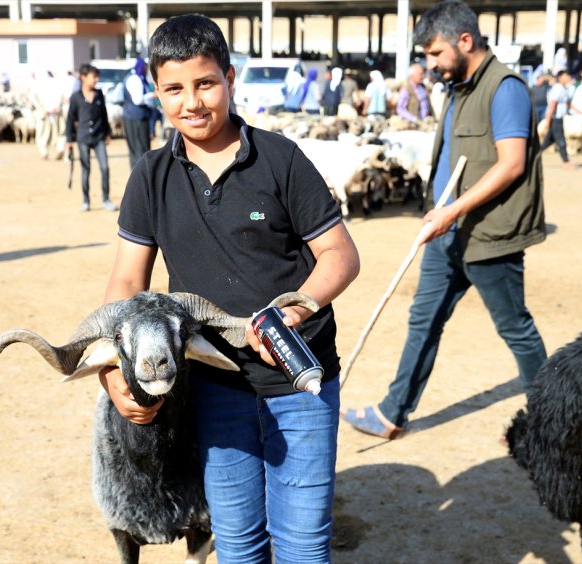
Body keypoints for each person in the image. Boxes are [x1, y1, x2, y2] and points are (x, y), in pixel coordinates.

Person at [98, 13, 360, 563]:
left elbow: (340, 255)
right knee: (237, 541)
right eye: (174, 88)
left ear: (230, 78)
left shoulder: (280, 159)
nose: (191, 101)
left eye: (205, 83)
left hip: (298, 379)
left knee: (303, 543)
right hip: (212, 387)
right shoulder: (150, 175)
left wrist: (296, 310)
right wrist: (111, 370)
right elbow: (127, 280)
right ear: (156, 92)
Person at [342, 0, 547, 441]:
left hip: (488, 236)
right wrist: (439, 212)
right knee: (424, 321)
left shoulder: (504, 88)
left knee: (516, 329)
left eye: (436, 53)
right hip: (444, 235)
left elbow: (511, 164)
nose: (430, 63)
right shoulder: (457, 90)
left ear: (465, 41)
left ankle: (552, 418)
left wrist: (452, 209)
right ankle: (392, 413)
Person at [65, 63, 118, 212]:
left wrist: (108, 133)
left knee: (105, 167)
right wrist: (69, 140)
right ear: (83, 77)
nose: (96, 79)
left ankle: (106, 199)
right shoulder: (75, 98)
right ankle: (86, 201)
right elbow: (70, 119)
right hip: (83, 138)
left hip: (99, 137)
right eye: (93, 76)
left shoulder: (99, 94)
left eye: (97, 77)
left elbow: (104, 114)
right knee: (85, 169)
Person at [541, 69, 576, 169]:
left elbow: (568, 104)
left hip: (558, 118)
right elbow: (553, 105)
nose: (568, 78)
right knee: (561, 140)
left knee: (548, 141)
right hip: (555, 118)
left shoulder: (564, 89)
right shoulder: (558, 88)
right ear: (560, 77)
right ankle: (566, 162)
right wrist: (548, 121)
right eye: (566, 76)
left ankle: (533, 155)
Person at [122, 57, 153, 169]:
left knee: (138, 150)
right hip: (136, 118)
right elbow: (138, 100)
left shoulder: (138, 78)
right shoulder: (135, 79)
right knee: (140, 149)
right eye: (146, 67)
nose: (147, 70)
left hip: (135, 116)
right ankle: (140, 179)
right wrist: (153, 95)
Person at [30, 70, 66, 160]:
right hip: (56, 112)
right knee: (60, 132)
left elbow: (32, 98)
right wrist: (58, 107)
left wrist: (41, 109)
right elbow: (62, 95)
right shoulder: (57, 83)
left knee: (42, 133)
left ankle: (44, 153)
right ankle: (60, 149)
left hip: (44, 113)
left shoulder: (36, 85)